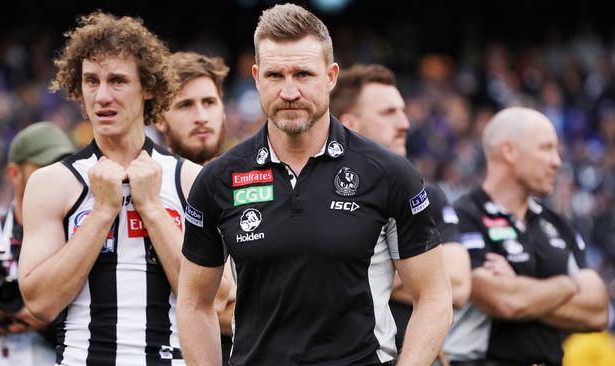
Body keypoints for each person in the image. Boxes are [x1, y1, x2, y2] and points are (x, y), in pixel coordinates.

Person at [177, 4, 452, 366]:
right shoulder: (217, 180)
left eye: (303, 74)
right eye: (275, 76)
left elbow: (433, 294)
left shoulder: (389, 174)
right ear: (257, 78)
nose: (289, 91)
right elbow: (195, 303)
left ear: (331, 76)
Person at [17, 12, 202, 365]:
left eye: (117, 81)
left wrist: (151, 209)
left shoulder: (188, 179)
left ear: (148, 86)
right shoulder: (51, 182)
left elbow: (218, 298)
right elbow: (39, 303)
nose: (102, 96)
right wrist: (102, 213)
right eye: (91, 81)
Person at [444, 107, 610, 365]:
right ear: (509, 151)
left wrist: (520, 286)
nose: (556, 161)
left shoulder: (557, 224)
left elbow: (598, 312)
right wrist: (569, 285)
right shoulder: (462, 217)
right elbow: (504, 301)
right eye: (546, 148)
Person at [330, 63, 471, 353]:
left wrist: (355, 269)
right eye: (388, 113)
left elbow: (457, 285)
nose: (404, 123)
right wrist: (415, 273)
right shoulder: (314, 193)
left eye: (403, 111)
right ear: (349, 125)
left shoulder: (426, 194)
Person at [0, 121, 77, 365]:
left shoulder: (82, 239)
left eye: (65, 166)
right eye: (45, 167)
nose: (56, 175)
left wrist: (46, 321)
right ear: (14, 173)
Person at [155, 51, 236, 364]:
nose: (201, 115)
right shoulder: (147, 191)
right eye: (185, 105)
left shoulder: (260, 179)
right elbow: (217, 303)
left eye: (209, 102)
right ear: (158, 117)